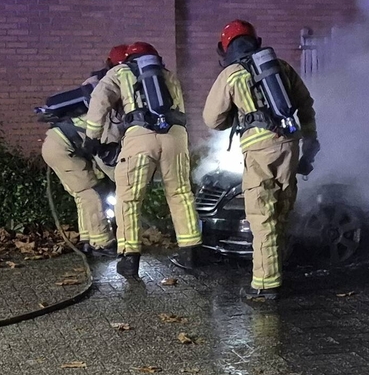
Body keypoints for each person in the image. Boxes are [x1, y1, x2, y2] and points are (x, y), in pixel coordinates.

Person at [202, 20, 318, 299]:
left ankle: (265, 286)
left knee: (261, 214)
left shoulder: (231, 74)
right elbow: (306, 104)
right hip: (290, 144)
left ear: (226, 47)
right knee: (280, 209)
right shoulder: (281, 67)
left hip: (258, 150)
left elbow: (212, 119)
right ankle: (277, 268)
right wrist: (311, 139)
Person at [84, 41, 202, 278]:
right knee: (180, 193)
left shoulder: (120, 72)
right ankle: (190, 251)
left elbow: (100, 99)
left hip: (140, 136)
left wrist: (92, 137)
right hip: (176, 136)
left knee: (129, 198)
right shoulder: (169, 76)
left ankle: (129, 258)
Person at [39, 45, 127, 255]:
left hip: (60, 145)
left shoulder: (98, 93)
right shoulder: (108, 116)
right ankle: (102, 244)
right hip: (62, 148)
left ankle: (88, 240)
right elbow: (103, 154)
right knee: (91, 194)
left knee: (84, 194)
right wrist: (120, 179)